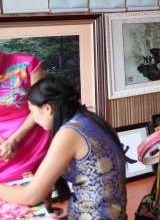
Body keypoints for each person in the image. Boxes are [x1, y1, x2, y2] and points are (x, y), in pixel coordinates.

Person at [0, 75, 127, 219]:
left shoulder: (69, 134)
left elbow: (31, 196)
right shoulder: (88, 119)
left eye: (33, 112)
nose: (33, 118)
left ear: (48, 108)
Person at [0, 52, 50, 182]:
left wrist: (14, 140)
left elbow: (43, 105)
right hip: (2, 144)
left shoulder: (28, 63)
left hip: (31, 132)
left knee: (37, 186)